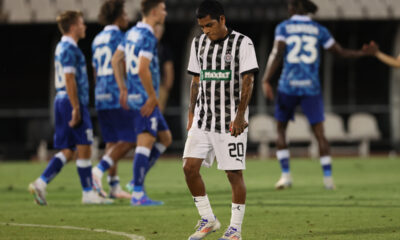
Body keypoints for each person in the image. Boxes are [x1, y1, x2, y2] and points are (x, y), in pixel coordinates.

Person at [262, 0, 367, 190]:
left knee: (281, 130)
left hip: (288, 86)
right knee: (320, 134)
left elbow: (277, 53)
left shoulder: (284, 27)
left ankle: (285, 176)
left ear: (292, 8)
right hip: (311, 87)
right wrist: (362, 53)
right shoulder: (319, 29)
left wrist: (265, 79)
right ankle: (328, 180)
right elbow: (340, 52)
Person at [183, 1, 258, 239]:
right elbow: (196, 80)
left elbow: (248, 80)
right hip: (203, 120)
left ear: (222, 20)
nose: (206, 30)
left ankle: (235, 229)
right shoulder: (198, 43)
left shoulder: (242, 42)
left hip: (230, 122)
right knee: (189, 168)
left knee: (233, 174)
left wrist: (239, 116)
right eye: (202, 26)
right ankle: (208, 219)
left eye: (210, 25)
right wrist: (191, 112)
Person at [28, 10, 112, 205]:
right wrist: (75, 107)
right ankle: (88, 193)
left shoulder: (64, 46)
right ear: (73, 26)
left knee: (69, 150)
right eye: (82, 23)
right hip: (71, 101)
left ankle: (41, 183)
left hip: (63, 100)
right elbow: (69, 78)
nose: (84, 27)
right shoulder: (68, 48)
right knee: (84, 146)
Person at [111, 0, 172, 206]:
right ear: (154, 12)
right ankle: (138, 193)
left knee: (165, 139)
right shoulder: (148, 35)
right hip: (146, 99)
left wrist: (123, 88)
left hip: (134, 96)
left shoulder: (131, 33)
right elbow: (143, 69)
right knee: (145, 143)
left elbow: (115, 59)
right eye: (163, 9)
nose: (165, 12)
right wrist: (153, 96)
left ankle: (134, 181)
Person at [91, 0, 132, 199]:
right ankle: (97, 171)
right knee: (131, 138)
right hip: (117, 93)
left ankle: (113, 187)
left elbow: (95, 71)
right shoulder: (120, 36)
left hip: (101, 93)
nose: (127, 17)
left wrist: (99, 89)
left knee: (111, 141)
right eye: (124, 13)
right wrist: (126, 88)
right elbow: (121, 63)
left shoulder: (96, 39)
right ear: (117, 15)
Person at [154, 23, 174, 113]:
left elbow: (169, 69)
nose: (157, 33)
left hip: (159, 87)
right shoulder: (144, 46)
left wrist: (165, 89)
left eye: (160, 31)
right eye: (156, 31)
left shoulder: (163, 49)